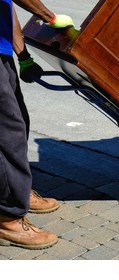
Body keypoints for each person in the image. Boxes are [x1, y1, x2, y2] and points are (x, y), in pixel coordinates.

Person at [0, 0, 73, 249]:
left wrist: (23, 57)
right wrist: (49, 17)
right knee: (6, 133)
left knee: (18, 120)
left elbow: (6, 8)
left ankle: (18, 190)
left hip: (2, 52)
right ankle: (8, 218)